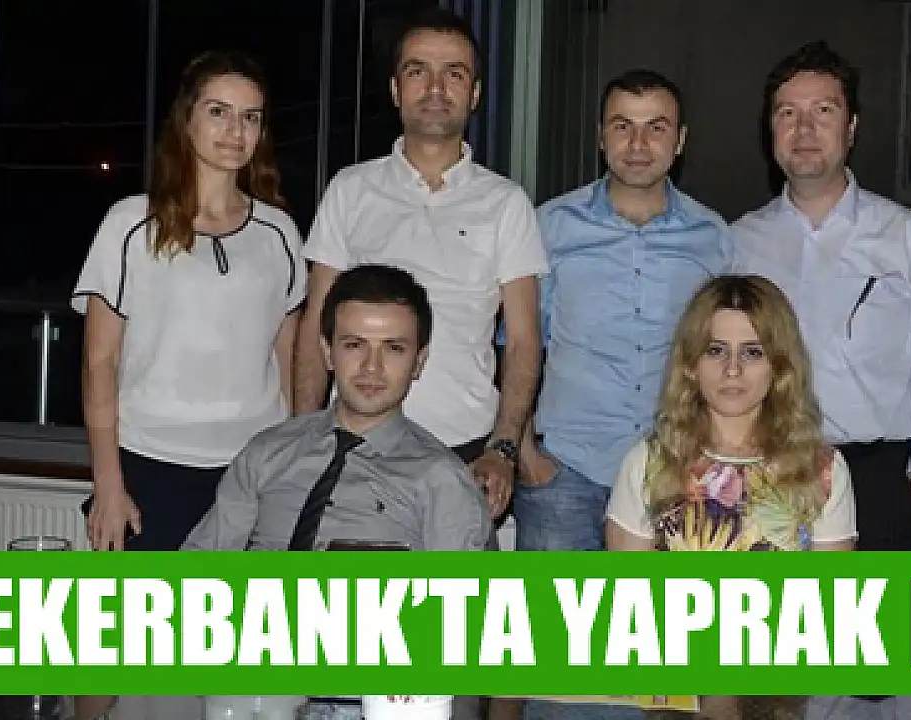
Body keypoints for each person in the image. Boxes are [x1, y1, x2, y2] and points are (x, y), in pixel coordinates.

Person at [69, 49, 305, 720]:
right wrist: (108, 485)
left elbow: (289, 361)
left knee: (228, 651)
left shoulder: (280, 231)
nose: (235, 130)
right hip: (149, 467)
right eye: (219, 112)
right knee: (114, 647)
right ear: (188, 120)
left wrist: (294, 470)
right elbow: (99, 364)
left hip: (250, 473)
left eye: (251, 117)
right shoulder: (130, 224)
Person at [295, 6, 545, 521]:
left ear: (474, 94)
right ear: (395, 89)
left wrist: (502, 448)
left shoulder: (506, 203)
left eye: (454, 73)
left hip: (465, 453)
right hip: (354, 450)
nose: (435, 87)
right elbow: (316, 323)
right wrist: (301, 440)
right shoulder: (350, 190)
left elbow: (523, 340)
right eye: (418, 71)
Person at [732, 41, 911, 554]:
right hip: (763, 473)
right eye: (787, 113)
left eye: (823, 111)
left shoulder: (907, 236)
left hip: (879, 479)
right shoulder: (738, 243)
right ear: (770, 131)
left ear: (852, 127)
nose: (804, 128)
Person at [606, 274, 855, 720]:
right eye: (716, 350)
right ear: (690, 364)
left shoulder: (821, 471)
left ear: (779, 365)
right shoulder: (647, 463)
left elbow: (826, 612)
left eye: (752, 352)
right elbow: (632, 607)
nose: (733, 370)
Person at [514, 68, 734, 552]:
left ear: (680, 141)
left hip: (677, 473)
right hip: (566, 474)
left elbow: (727, 357)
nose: (638, 143)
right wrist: (525, 454)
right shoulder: (550, 226)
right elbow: (516, 347)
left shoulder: (714, 237)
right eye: (622, 126)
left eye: (656, 127)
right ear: (601, 137)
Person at [182, 265, 490, 553]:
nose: (372, 367)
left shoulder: (442, 481)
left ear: (418, 362)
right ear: (328, 353)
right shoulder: (266, 454)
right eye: (354, 345)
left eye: (393, 348)